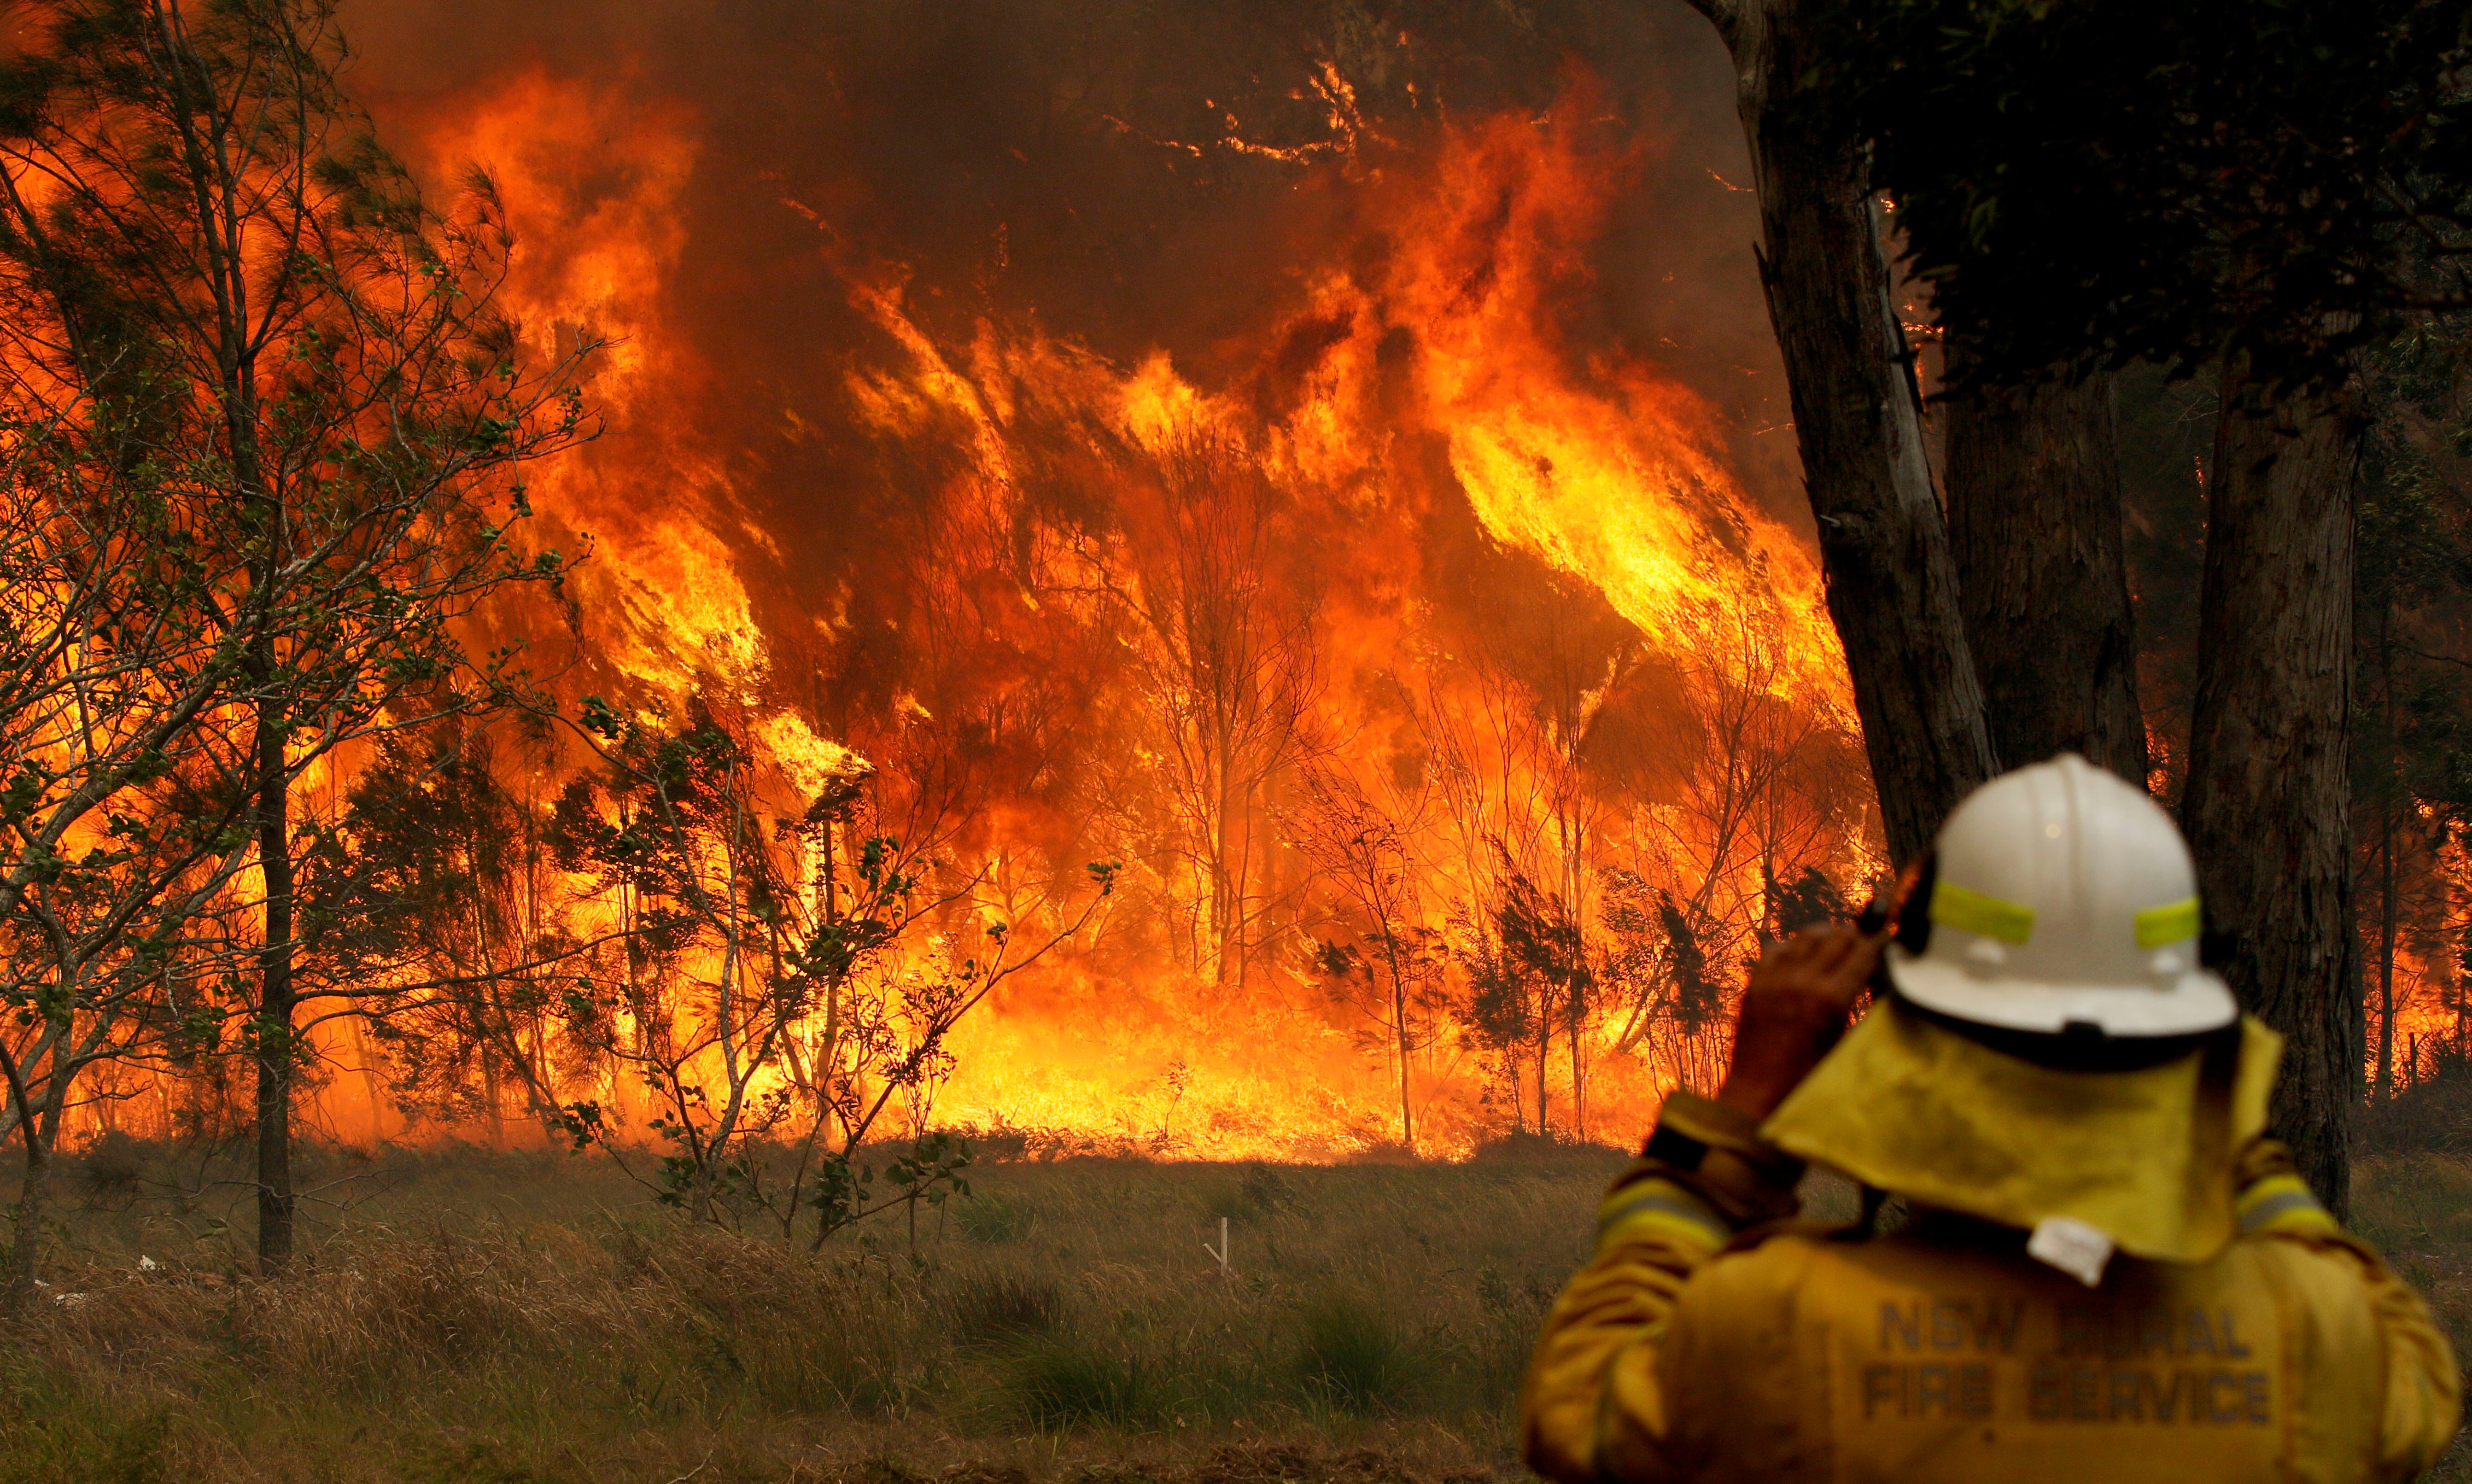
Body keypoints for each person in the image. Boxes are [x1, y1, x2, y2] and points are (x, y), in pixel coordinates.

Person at [1522, 754, 2460, 1482]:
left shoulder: (1779, 1325)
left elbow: (1581, 1404)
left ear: (1908, 1033)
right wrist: (2219, 1123)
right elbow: (2391, 1340)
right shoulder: (2324, 1339)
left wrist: (1734, 1124)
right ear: (2180, 1040)